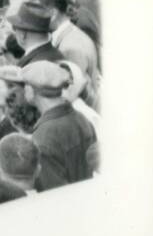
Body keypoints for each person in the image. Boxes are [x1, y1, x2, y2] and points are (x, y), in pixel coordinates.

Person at [19, 60, 97, 189]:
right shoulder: (82, 120)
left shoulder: (42, 139)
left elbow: (52, 195)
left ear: (31, 90)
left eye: (25, 85)